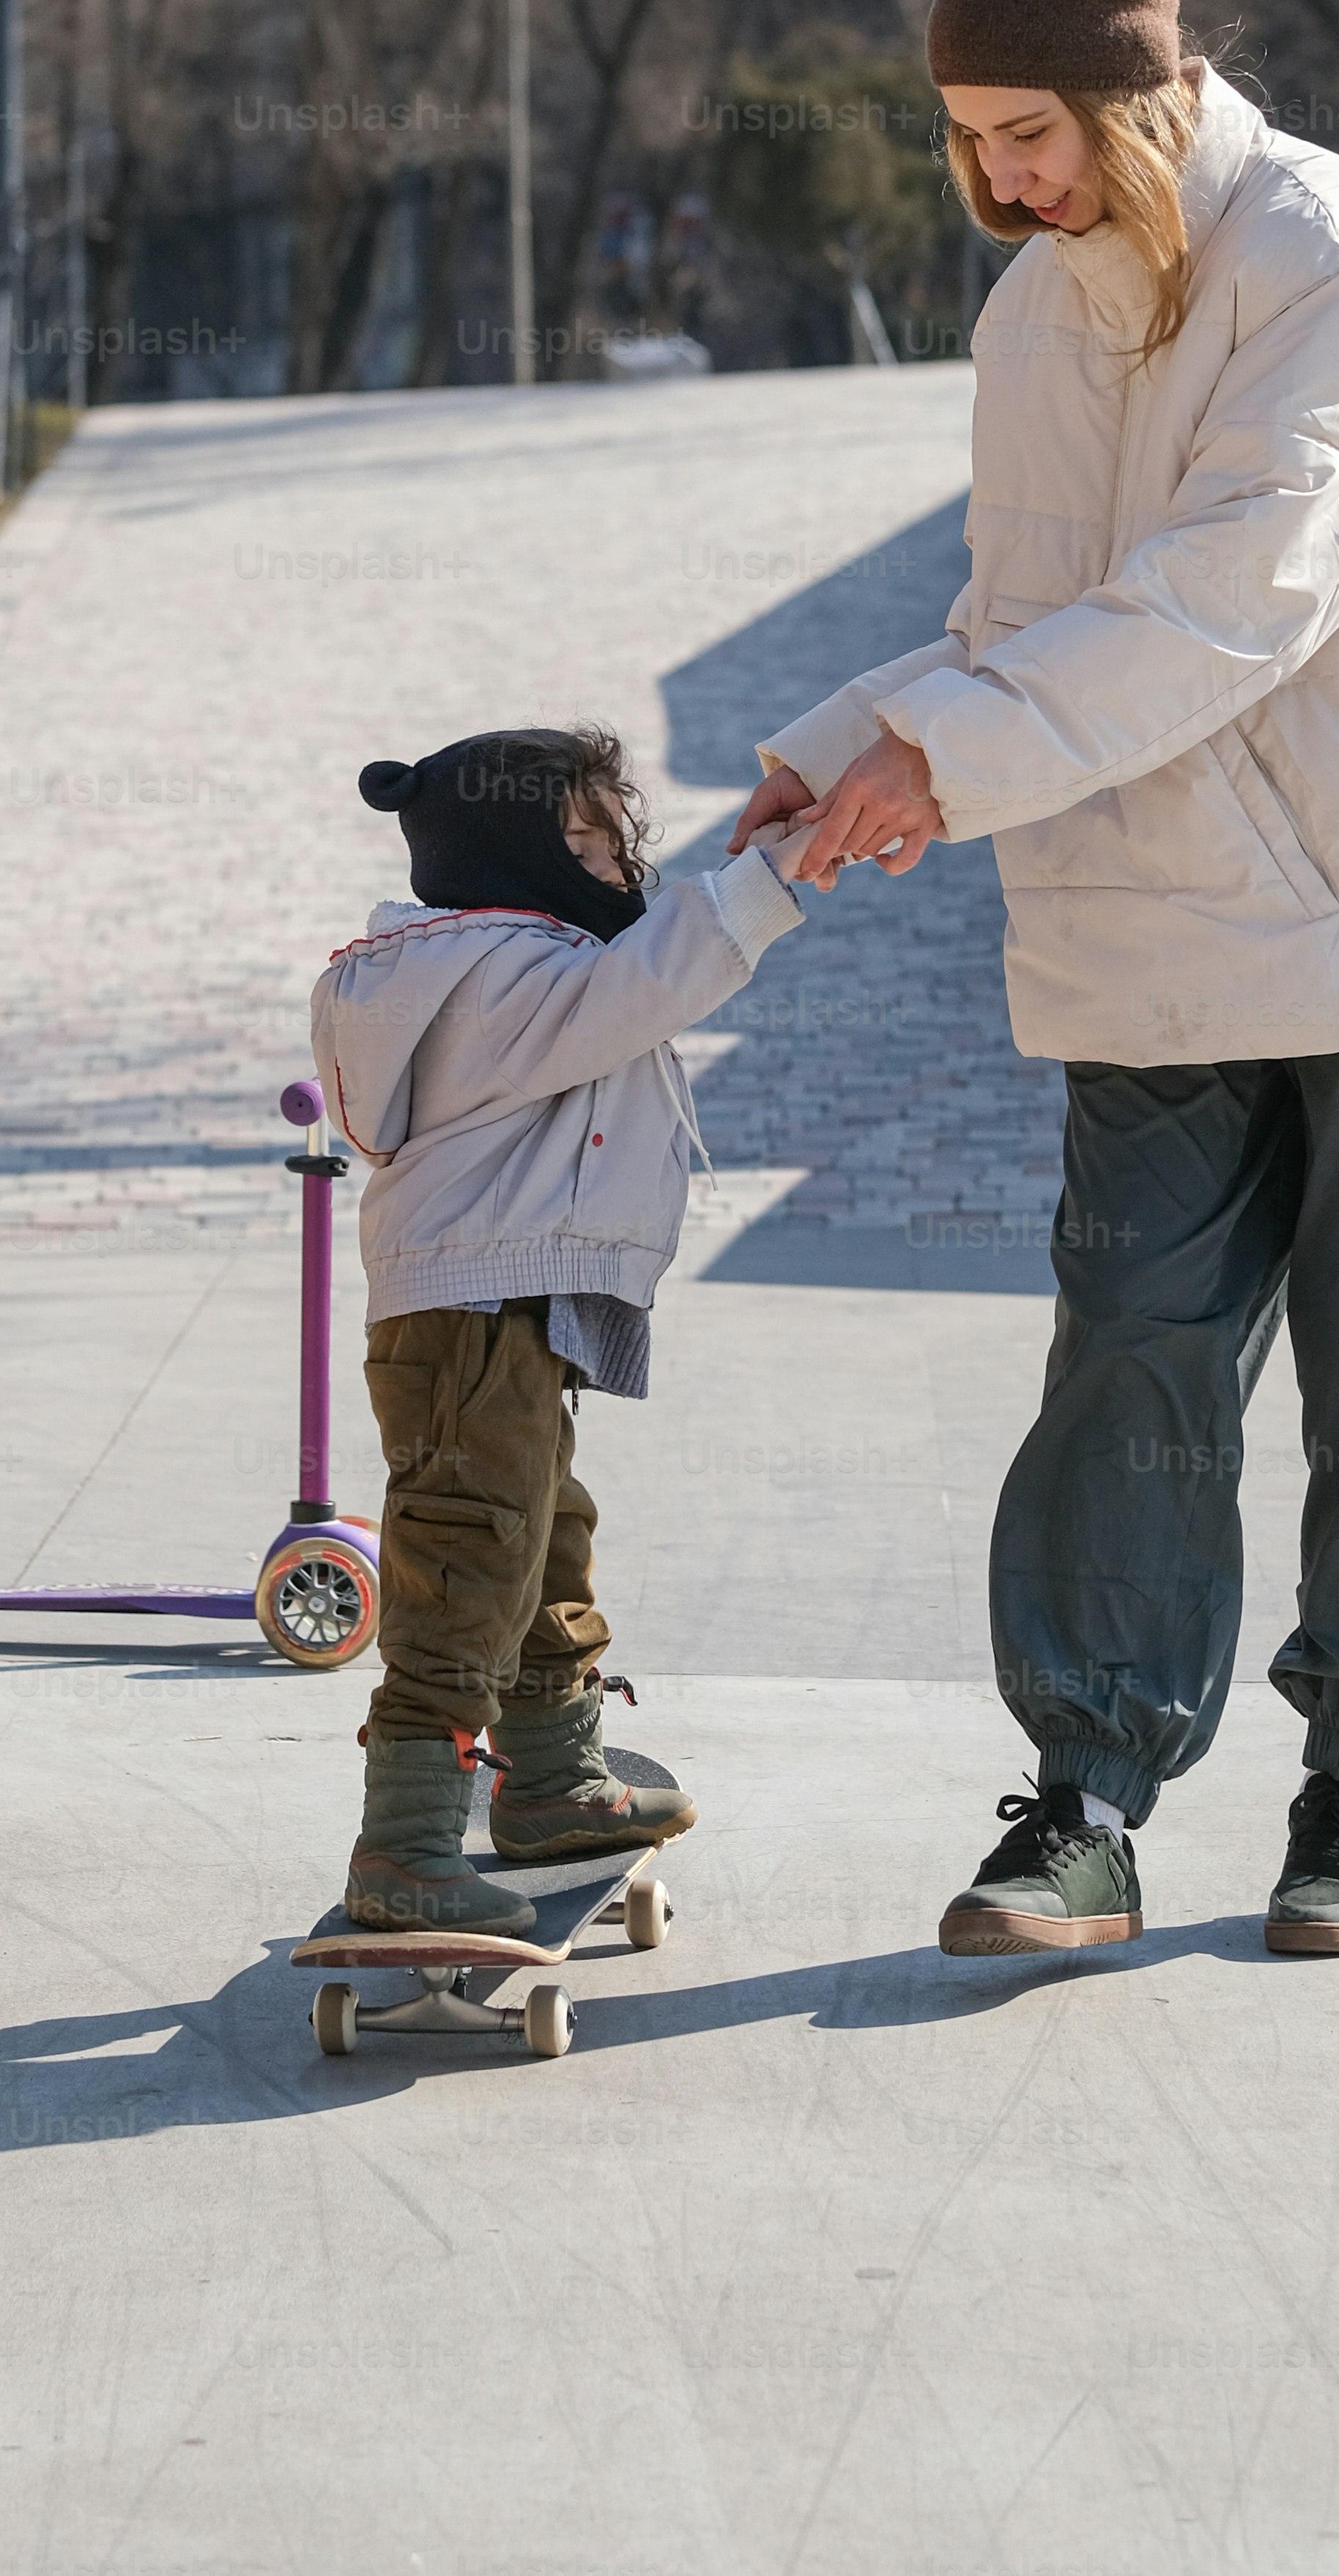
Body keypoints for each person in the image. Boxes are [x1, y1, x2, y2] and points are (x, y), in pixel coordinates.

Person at [732, 0, 1339, 1963]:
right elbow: (1021, 613)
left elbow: (1243, 588)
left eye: (1023, 135)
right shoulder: (1034, 308)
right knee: (1126, 1346)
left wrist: (940, 758)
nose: (997, 183)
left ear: (1129, 99)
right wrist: (842, 730)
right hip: (1150, 909)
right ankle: (1086, 1794)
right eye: (963, 143)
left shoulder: (1327, 254)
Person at [313, 724, 804, 1936]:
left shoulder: (493, 957)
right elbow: (642, 989)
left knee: (539, 1534)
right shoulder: (491, 969)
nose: (608, 861)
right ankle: (407, 1841)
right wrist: (774, 875)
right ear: (504, 850)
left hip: (505, 1306)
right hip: (470, 1312)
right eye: (575, 838)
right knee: (469, 1549)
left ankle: (550, 1781)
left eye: (611, 836)